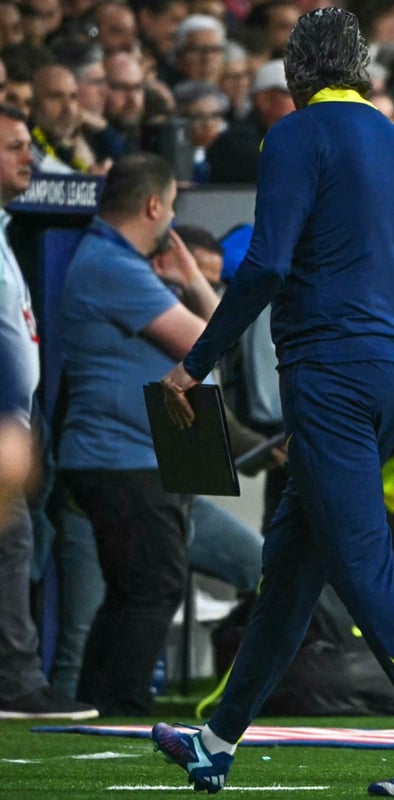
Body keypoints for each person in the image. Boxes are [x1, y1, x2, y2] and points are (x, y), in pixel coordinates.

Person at [149, 9, 394, 797]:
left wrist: (196, 363)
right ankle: (215, 740)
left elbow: (266, 265)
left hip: (329, 370)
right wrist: (389, 341)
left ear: (297, 74)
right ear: (360, 68)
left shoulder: (295, 135)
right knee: (293, 569)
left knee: (361, 562)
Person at [57, 153, 221, 716]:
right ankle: (121, 705)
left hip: (128, 455)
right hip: (119, 456)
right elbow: (207, 344)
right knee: (153, 585)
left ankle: (99, 703)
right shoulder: (113, 265)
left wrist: (189, 280)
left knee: (134, 588)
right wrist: (193, 282)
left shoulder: (117, 262)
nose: (172, 218)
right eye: (171, 206)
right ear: (153, 205)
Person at [0, 104, 97, 721]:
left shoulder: (6, 231)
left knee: (18, 546)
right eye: (13, 146)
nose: (28, 157)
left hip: (18, 423)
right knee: (12, 545)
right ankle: (16, 682)